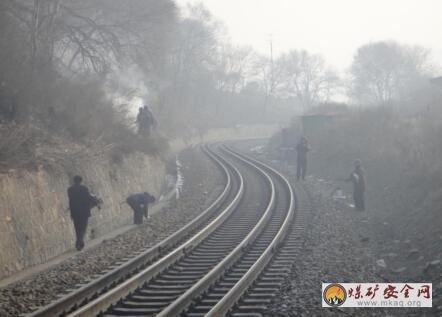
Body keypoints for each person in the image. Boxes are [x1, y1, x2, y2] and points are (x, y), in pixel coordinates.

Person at [67, 175, 102, 251]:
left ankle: (81, 243)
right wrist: (96, 200)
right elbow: (88, 196)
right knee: (82, 228)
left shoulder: (70, 189)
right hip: (83, 212)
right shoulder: (84, 188)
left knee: (77, 228)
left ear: (74, 180)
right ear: (81, 180)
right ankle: (78, 243)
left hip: (74, 212)